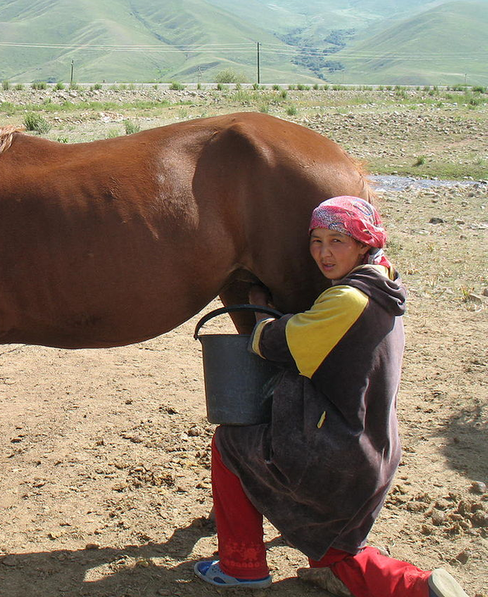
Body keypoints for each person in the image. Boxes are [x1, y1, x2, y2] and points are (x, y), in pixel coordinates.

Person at [193, 196, 469, 597]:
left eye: (337, 241)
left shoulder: (347, 300)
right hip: (374, 445)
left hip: (337, 452)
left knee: (230, 444)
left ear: (363, 243)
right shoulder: (384, 282)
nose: (323, 252)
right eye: (316, 240)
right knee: (332, 555)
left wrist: (259, 316)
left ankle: (242, 565)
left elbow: (277, 343)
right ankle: (418, 586)